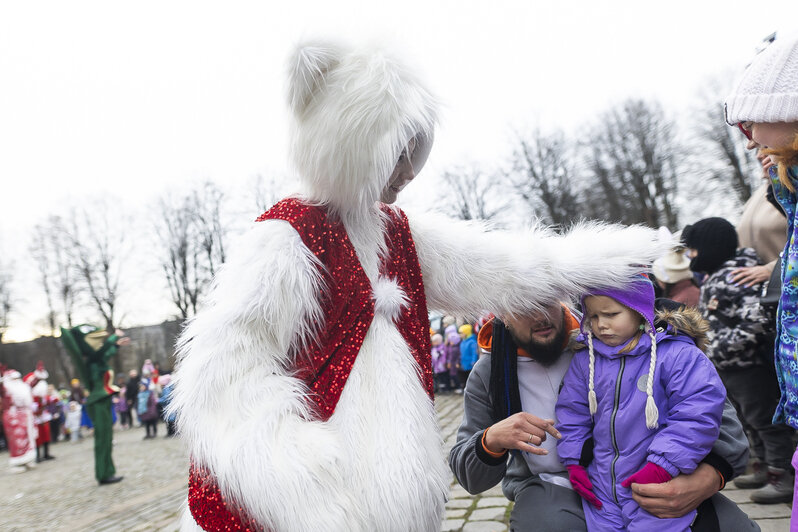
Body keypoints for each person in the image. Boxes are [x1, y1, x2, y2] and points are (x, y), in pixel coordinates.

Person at [168, 40, 666, 531]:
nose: (408, 172)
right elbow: (225, 377)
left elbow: (507, 268)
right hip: (319, 495)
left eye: (415, 152)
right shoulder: (288, 234)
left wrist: (607, 259)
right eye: (395, 152)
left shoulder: (399, 231)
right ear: (351, 143)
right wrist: (302, 482)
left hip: (390, 485)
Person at [449, 301, 759, 532]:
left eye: (547, 301)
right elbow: (469, 476)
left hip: (653, 476)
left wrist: (706, 480)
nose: (541, 315)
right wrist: (491, 441)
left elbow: (721, 425)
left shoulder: (620, 337)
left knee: (734, 528)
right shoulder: (491, 373)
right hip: (555, 486)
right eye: (525, 306)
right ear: (501, 312)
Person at [556, 279, 726, 530]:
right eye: (592, 316)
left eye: (611, 314)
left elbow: (697, 414)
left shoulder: (678, 355)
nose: (601, 324)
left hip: (659, 485)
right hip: (602, 489)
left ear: (639, 312)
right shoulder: (586, 359)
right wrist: (574, 460)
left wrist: (663, 465)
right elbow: (572, 412)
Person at [683, 217, 795, 503]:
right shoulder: (715, 275)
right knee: (748, 419)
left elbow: (757, 320)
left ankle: (782, 475)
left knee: (765, 419)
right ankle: (761, 467)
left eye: (693, 249)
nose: (690, 256)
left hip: (748, 365)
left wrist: (721, 347)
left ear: (710, 247)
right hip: (727, 366)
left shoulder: (738, 275)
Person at [60, 324, 130, 485]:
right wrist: (115, 337)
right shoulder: (91, 360)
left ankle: (108, 471)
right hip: (97, 402)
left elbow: (104, 353)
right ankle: (103, 474)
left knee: (107, 437)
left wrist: (116, 345)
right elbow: (100, 353)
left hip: (103, 400)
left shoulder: (96, 360)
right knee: (102, 438)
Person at [0, 369, 37, 473]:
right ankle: (17, 462)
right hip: (12, 417)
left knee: (28, 438)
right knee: (17, 441)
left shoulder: (23, 387)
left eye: (17, 378)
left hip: (25, 414)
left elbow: (32, 383)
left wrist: (38, 374)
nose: (16, 380)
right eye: (13, 378)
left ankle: (28, 459)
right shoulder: (5, 389)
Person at [25, 363, 56, 462]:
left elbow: (47, 401)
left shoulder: (42, 395)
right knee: (37, 437)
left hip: (44, 415)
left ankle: (46, 453)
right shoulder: (31, 396)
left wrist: (50, 401)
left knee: (46, 434)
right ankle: (38, 456)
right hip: (36, 417)